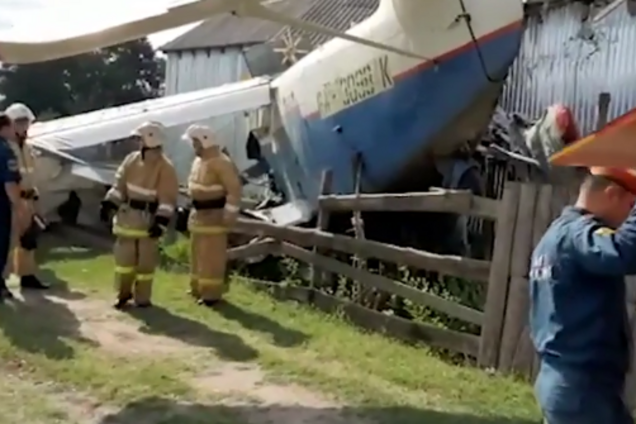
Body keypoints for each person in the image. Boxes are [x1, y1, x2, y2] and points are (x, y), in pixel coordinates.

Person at [530, 166, 636, 424]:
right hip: (582, 388)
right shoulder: (580, 233)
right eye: (631, 206)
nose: (627, 217)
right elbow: (622, 253)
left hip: (566, 382)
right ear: (612, 194)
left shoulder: (554, 236)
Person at [100, 121, 178, 309]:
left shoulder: (165, 167)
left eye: (140, 139)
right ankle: (122, 295)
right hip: (127, 219)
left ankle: (143, 298)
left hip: (147, 221)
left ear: (149, 140)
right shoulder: (131, 160)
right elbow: (119, 185)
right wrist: (109, 204)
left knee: (145, 263)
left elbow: (167, 199)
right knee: (124, 261)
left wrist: (160, 222)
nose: (137, 143)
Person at [176, 124, 241, 306]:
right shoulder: (199, 161)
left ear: (204, 142)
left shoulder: (221, 162)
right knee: (197, 255)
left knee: (211, 257)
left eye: (194, 142)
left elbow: (234, 190)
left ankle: (211, 294)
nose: (193, 146)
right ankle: (197, 287)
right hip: (198, 216)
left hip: (215, 217)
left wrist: (229, 214)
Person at [4, 102, 48, 289]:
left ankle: (27, 275)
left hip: (28, 199)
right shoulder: (5, 148)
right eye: (19, 122)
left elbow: (31, 176)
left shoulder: (28, 149)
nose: (23, 127)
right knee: (7, 242)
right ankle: (3, 280)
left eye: (25, 122)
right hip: (11, 200)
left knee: (29, 239)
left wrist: (35, 201)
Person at [0, 113, 30, 301]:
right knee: (1, 243)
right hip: (1, 204)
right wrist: (20, 208)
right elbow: (10, 184)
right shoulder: (5, 151)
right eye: (11, 127)